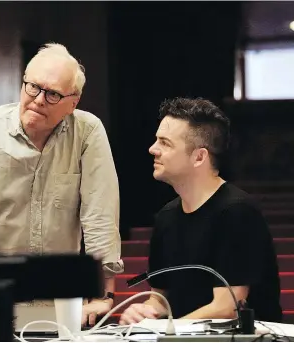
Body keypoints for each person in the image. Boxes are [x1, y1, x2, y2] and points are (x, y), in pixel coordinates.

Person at [0, 43, 123, 326]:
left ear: (74, 102)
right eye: (32, 87)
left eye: (53, 94)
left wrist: (103, 295)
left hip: (61, 301)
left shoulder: (87, 132)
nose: (38, 99)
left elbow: (100, 213)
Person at [120, 97, 282, 324]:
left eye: (165, 143)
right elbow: (161, 297)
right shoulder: (167, 217)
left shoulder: (237, 212)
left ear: (199, 157)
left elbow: (227, 308)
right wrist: (144, 313)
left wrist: (168, 331)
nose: (152, 149)